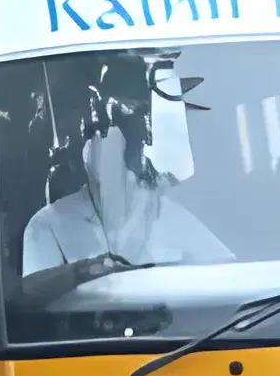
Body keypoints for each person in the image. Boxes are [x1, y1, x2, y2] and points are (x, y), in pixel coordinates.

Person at [17, 120, 232, 309]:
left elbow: (226, 277)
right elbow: (31, 297)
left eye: (124, 135)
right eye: (98, 137)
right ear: (84, 151)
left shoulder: (168, 213)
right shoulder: (48, 224)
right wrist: (86, 271)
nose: (110, 151)